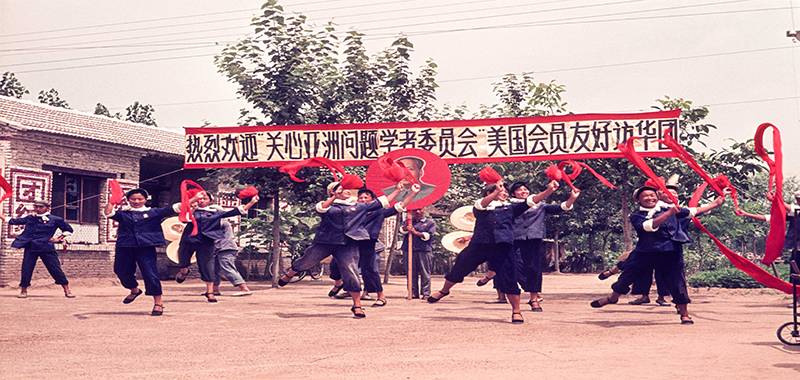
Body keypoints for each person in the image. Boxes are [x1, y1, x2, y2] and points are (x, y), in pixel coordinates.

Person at [279, 180, 417, 318]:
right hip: (325, 242)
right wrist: (334, 197)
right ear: (333, 192)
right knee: (307, 261)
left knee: (352, 271)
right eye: (342, 188)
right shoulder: (330, 206)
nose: (347, 190)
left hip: (348, 244)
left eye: (347, 189)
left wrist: (398, 190)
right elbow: (321, 209)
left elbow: (383, 201)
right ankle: (291, 273)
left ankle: (357, 305)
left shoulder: (359, 207)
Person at [590, 182, 723, 324]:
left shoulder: (669, 208)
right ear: (638, 200)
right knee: (627, 275)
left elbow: (693, 211)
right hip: (645, 252)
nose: (649, 198)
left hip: (671, 252)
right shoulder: (636, 215)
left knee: (677, 282)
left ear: (657, 196)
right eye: (645, 196)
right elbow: (649, 226)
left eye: (652, 195)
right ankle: (613, 298)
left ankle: (684, 314)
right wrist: (668, 213)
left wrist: (715, 203)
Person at [427, 178, 554, 324]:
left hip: (503, 246)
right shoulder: (480, 206)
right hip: (480, 244)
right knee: (460, 266)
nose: (504, 192)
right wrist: (495, 192)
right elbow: (481, 204)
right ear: (489, 192)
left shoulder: (511, 208)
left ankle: (516, 311)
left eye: (505, 191)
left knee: (509, 277)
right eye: (500, 190)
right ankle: (444, 291)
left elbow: (532, 201)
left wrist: (549, 190)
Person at [475, 181, 580, 312]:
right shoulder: (508, 205)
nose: (523, 191)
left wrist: (572, 198)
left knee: (534, 268)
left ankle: (534, 299)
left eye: (525, 189)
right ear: (513, 193)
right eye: (519, 190)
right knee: (512, 267)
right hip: (513, 238)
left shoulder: (540, 204)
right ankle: (497, 280)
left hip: (533, 238)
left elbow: (561, 207)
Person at [103, 188, 181, 316]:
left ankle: (158, 303)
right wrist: (112, 201)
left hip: (146, 247)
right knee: (121, 270)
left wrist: (192, 200)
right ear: (128, 200)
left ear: (146, 199)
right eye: (133, 199)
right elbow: (108, 213)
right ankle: (134, 290)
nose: (136, 201)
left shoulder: (153, 212)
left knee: (150, 274)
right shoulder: (124, 214)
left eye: (140, 199)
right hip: (125, 246)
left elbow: (173, 208)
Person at [175, 190, 259, 303]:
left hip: (206, 241)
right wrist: (193, 205)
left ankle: (210, 292)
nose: (201, 200)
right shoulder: (191, 211)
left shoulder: (215, 213)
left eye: (205, 199)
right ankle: (184, 271)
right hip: (189, 240)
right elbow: (183, 218)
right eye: (199, 198)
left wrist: (252, 202)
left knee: (207, 266)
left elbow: (237, 211)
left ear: (210, 201)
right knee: (183, 261)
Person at [328, 189, 398, 306]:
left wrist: (408, 193)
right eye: (361, 198)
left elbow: (398, 207)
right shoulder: (355, 211)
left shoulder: (379, 212)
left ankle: (381, 296)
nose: (363, 200)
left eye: (366, 197)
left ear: (372, 199)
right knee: (337, 263)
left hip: (368, 243)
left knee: (370, 269)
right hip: (352, 242)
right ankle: (345, 287)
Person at [1, 200, 74, 298]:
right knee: (26, 269)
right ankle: (23, 290)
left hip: (47, 248)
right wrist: (1, 215)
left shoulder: (55, 219)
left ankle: (67, 289)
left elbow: (68, 230)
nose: (38, 209)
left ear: (47, 208)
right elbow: (14, 221)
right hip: (31, 247)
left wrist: (58, 239)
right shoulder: (31, 218)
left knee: (55, 269)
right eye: (36, 207)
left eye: (40, 207)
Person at [400, 208, 437, 300]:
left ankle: (426, 293)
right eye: (415, 210)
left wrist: (415, 233)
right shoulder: (408, 221)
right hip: (409, 250)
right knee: (410, 272)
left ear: (423, 210)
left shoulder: (430, 223)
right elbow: (402, 230)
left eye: (419, 210)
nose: (417, 212)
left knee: (425, 272)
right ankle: (412, 292)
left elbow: (429, 236)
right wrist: (406, 227)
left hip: (423, 250)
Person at [211, 219, 253, 297]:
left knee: (227, 268)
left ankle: (244, 289)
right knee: (214, 269)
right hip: (218, 249)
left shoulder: (222, 222)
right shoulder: (217, 223)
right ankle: (214, 289)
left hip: (226, 248)